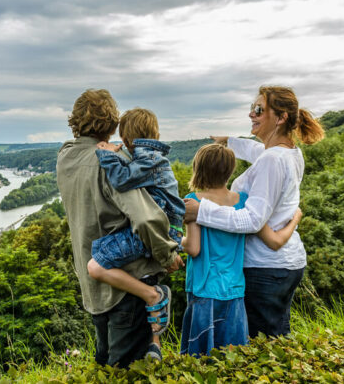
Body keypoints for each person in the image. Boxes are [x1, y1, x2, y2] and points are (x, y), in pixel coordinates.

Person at [183, 86, 324, 338]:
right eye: (252, 108)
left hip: (265, 267)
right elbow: (257, 152)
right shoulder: (288, 153)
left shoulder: (273, 160)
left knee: (265, 343)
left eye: (259, 110)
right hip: (284, 263)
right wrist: (228, 142)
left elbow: (252, 219)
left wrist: (201, 211)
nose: (251, 114)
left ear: (280, 118)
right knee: (277, 334)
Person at [57, 89, 184, 368]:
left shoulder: (64, 158)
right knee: (129, 371)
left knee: (104, 366)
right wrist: (166, 255)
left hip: (92, 287)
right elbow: (147, 218)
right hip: (129, 286)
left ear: (74, 121)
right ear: (113, 125)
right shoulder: (112, 162)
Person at [180, 143, 302, 355]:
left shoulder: (193, 201)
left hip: (204, 287)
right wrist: (296, 219)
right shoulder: (243, 202)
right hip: (234, 290)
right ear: (229, 171)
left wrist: (175, 241)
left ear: (198, 169)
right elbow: (272, 239)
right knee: (233, 353)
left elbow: (193, 248)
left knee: (200, 356)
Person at [85, 107, 185, 359]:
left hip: (163, 232)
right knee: (102, 257)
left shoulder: (148, 159)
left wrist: (105, 154)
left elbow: (120, 179)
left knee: (96, 264)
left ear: (127, 138)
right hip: (168, 230)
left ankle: (154, 296)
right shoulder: (151, 156)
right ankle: (155, 340)